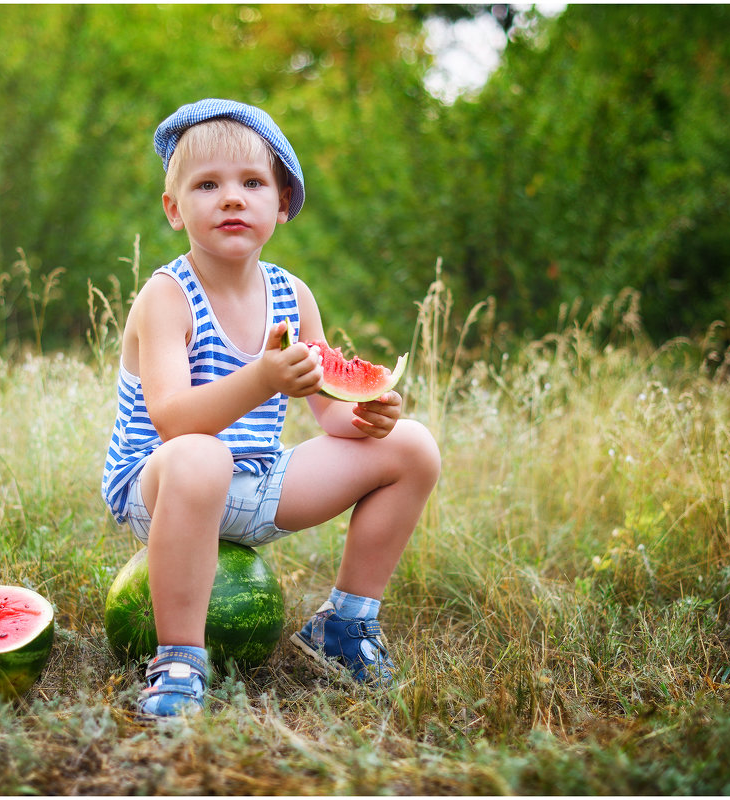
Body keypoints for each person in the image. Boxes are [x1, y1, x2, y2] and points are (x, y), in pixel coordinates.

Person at [101, 98, 441, 722]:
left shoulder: (292, 294)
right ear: (174, 210)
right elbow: (173, 422)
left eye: (252, 183)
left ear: (282, 204)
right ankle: (179, 660)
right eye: (207, 185)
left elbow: (329, 414)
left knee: (414, 447)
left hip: (257, 481)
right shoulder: (166, 296)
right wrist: (261, 377)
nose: (232, 199)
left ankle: (344, 623)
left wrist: (369, 416)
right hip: (163, 486)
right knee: (200, 454)